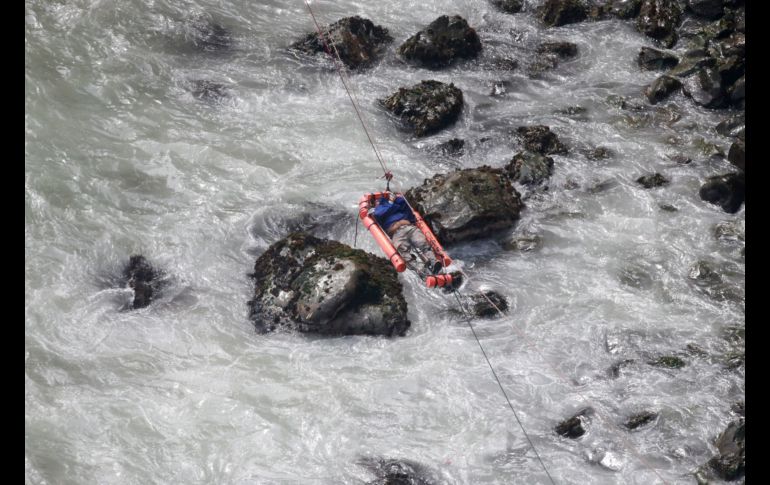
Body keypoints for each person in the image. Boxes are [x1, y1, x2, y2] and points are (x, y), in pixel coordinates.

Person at [371, 192, 443, 275]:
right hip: (396, 234)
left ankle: (434, 263)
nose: (377, 202)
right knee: (403, 251)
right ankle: (421, 269)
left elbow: (405, 206)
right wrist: (390, 202)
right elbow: (379, 213)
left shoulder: (394, 206)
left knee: (422, 243)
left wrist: (396, 199)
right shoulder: (377, 211)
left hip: (409, 227)